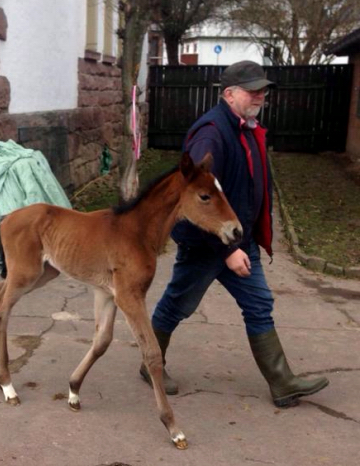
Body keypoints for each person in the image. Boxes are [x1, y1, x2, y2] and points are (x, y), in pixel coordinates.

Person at [139, 60, 329, 407]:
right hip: (209, 245)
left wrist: (245, 238)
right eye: (252, 89)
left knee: (258, 304)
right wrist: (226, 251)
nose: (260, 95)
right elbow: (198, 199)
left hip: (238, 239)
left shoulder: (245, 127)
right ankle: (150, 364)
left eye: (262, 89)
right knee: (177, 305)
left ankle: (282, 382)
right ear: (229, 94)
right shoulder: (212, 133)